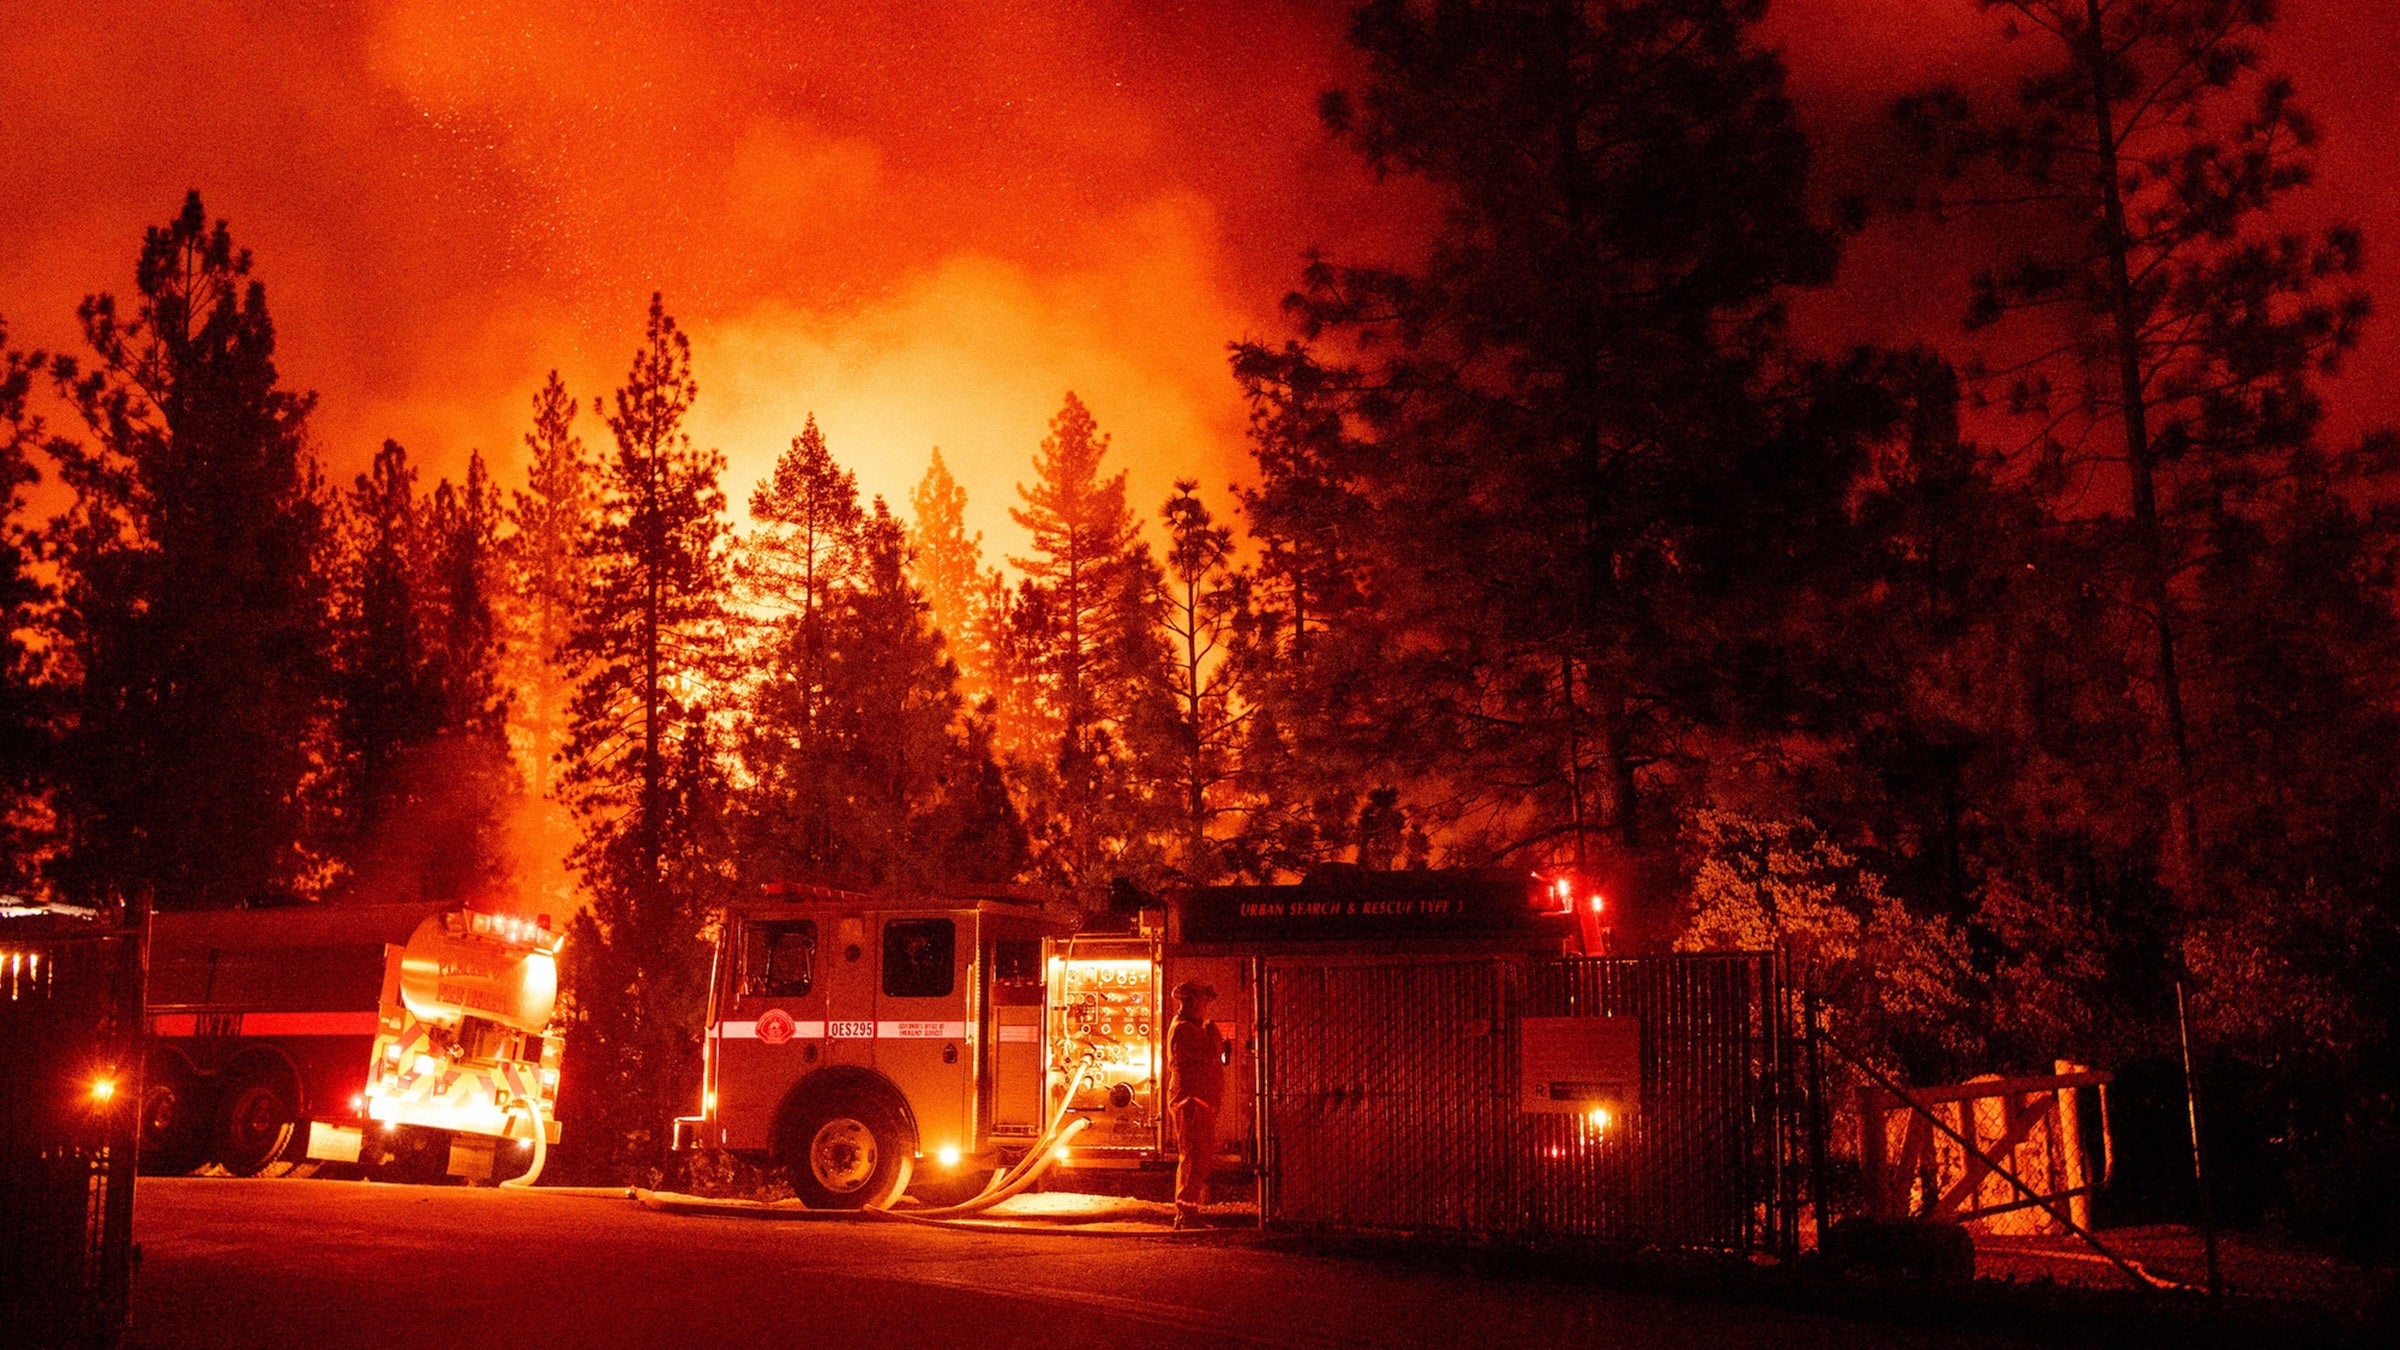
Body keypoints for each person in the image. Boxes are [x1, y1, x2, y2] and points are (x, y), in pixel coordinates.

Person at [1166, 979, 1226, 1229]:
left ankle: (1188, 1213)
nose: (1205, 1007)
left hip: (1196, 1102)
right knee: (1194, 1158)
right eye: (1203, 1001)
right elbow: (1209, 1055)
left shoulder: (1188, 1027)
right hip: (1192, 1102)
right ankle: (1186, 1215)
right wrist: (1213, 1032)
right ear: (1192, 1001)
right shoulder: (1186, 1029)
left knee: (1197, 1157)